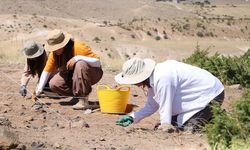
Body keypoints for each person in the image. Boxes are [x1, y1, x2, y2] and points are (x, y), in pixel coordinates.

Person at [115, 58, 224, 132]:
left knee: (187, 130)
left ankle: (217, 117)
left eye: (134, 81)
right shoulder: (152, 79)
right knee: (174, 124)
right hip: (199, 96)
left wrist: (165, 124)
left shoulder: (162, 77)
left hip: (211, 94)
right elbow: (152, 105)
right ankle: (210, 115)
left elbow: (165, 103)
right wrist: (132, 117)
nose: (135, 84)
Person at [35, 29, 103, 110]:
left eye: (57, 47)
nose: (55, 50)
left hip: (93, 73)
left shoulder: (78, 47)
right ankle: (77, 97)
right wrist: (38, 90)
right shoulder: (54, 54)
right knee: (54, 83)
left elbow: (97, 62)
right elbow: (47, 71)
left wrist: (78, 58)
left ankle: (83, 100)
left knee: (80, 64)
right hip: (73, 76)